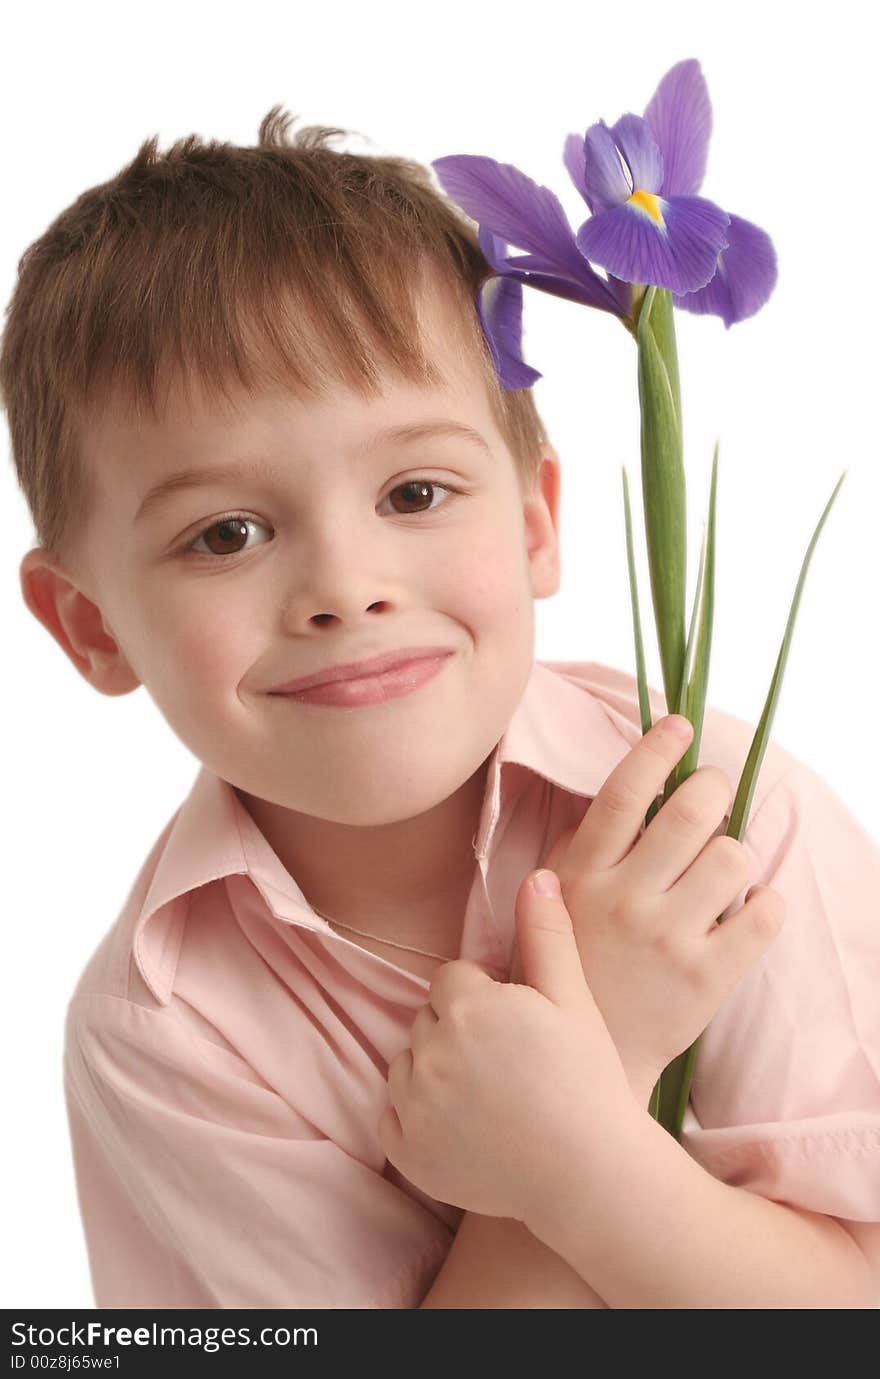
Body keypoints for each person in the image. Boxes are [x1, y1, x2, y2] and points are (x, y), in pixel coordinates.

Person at [4, 108, 877, 1309]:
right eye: (228, 533)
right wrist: (599, 1055)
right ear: (90, 625)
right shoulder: (163, 1032)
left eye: (415, 490)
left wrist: (575, 1150)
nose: (344, 589)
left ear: (533, 522)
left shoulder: (721, 817)